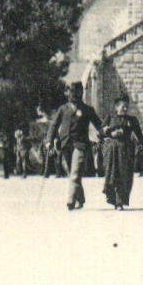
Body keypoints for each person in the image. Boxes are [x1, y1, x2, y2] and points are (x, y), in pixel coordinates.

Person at [48, 81, 104, 210]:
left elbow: (98, 125)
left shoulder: (87, 110)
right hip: (65, 144)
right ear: (68, 93)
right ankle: (81, 198)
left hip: (81, 145)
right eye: (72, 91)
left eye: (78, 91)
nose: (74, 94)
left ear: (81, 93)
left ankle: (70, 200)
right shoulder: (63, 109)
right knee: (73, 174)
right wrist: (49, 141)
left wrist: (106, 131)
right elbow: (54, 125)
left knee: (75, 172)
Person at [100, 98, 143, 209]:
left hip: (126, 150)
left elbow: (139, 134)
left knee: (124, 175)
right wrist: (110, 132)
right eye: (123, 107)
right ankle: (112, 198)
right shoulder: (110, 118)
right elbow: (101, 131)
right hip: (111, 149)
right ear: (116, 107)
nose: (125, 109)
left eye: (127, 107)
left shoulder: (132, 120)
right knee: (111, 174)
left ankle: (120, 201)